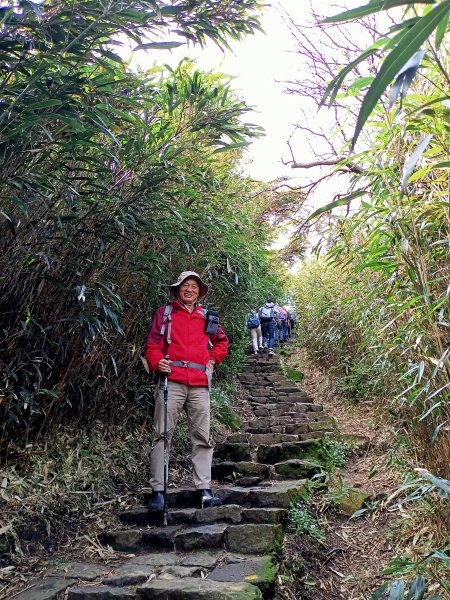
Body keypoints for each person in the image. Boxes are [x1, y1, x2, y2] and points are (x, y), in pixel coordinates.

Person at [145, 271, 228, 511]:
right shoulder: (165, 314)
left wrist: (212, 361)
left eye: (194, 286)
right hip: (172, 381)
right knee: (162, 434)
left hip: (199, 383)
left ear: (199, 291)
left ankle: (204, 489)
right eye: (185, 285)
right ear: (178, 289)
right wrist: (157, 361)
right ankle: (158, 491)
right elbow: (153, 345)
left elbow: (222, 342)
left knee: (202, 437)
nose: (189, 289)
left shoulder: (207, 316)